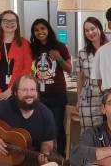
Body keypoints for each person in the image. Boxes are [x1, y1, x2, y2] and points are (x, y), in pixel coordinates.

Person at [0, 75, 57, 166]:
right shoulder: (5, 106)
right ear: (15, 92)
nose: (29, 94)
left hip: (31, 160)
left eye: (33, 89)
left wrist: (45, 155)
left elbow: (47, 143)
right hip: (2, 159)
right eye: (24, 90)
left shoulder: (46, 114)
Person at [29, 18, 73, 155]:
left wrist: (58, 58)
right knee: (40, 125)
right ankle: (42, 154)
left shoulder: (59, 46)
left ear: (48, 29)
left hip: (57, 95)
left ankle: (60, 155)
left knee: (57, 126)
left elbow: (69, 69)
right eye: (36, 30)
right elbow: (30, 69)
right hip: (39, 95)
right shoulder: (33, 48)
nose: (40, 32)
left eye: (42, 28)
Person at [0, 10, 32, 102]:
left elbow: (26, 69)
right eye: (6, 21)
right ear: (0, 24)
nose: (10, 23)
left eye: (13, 21)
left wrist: (11, 90)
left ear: (17, 24)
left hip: (17, 90)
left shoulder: (25, 44)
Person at [76, 17, 109, 130]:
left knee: (105, 133)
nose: (90, 33)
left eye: (92, 28)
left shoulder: (110, 49)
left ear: (100, 28)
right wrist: (79, 99)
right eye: (86, 30)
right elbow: (80, 77)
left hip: (105, 97)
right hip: (87, 99)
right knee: (87, 134)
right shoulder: (82, 53)